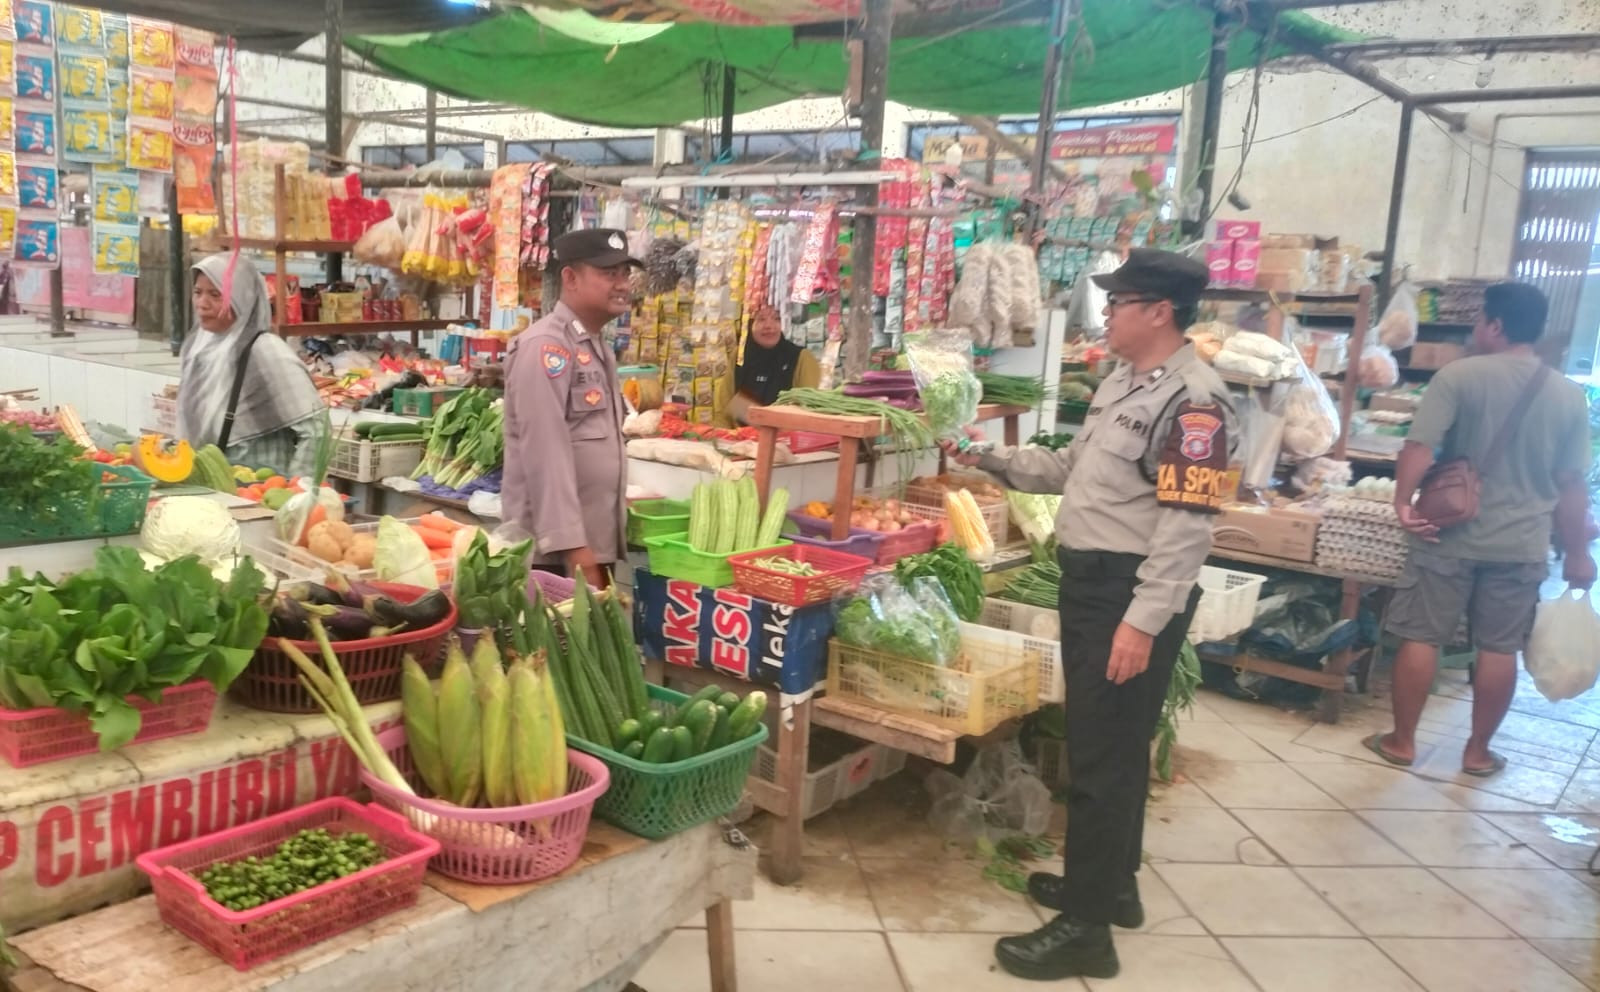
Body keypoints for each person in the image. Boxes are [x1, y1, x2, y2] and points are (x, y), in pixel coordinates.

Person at [946, 248, 1238, 982]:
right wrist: (987, 460)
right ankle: (1110, 889)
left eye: (1118, 302)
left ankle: (1086, 932)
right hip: (1093, 583)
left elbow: (1187, 527)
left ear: (1159, 311)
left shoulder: (1195, 403)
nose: (1105, 313)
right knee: (1107, 746)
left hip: (1126, 593)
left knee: (1104, 761)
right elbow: (1073, 470)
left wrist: (1141, 622)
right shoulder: (1124, 381)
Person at [1367, 282, 1594, 776]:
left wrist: (1404, 502)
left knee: (1423, 637)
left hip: (1448, 533)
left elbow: (1419, 447)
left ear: (1495, 325)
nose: (1474, 330)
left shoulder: (1458, 376)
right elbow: (1571, 482)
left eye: (1479, 322)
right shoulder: (1568, 395)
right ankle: (1477, 753)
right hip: (1522, 545)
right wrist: (1577, 553)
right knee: (1499, 648)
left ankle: (1402, 742)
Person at [502, 228, 638, 589]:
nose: (622, 284)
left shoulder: (593, 345)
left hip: (592, 544)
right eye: (609, 274)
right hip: (556, 556)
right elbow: (545, 454)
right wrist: (574, 547)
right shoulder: (546, 346)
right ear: (570, 278)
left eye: (625, 273)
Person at [176, 254, 327, 478]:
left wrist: (299, 492)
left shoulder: (265, 351)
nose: (202, 304)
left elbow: (317, 431)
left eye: (215, 294)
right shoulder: (198, 348)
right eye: (198, 292)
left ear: (242, 299)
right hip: (209, 481)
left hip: (259, 489)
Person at [722, 304, 821, 425]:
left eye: (777, 319)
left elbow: (807, 411)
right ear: (749, 323)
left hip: (784, 440)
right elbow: (725, 405)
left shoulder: (801, 358)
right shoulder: (739, 356)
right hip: (740, 440)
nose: (769, 326)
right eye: (761, 319)